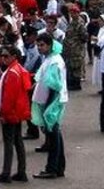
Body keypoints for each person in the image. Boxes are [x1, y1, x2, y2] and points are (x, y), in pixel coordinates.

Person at [31, 33, 67, 179]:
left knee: (53, 136)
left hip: (52, 102)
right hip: (50, 101)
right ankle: (58, 167)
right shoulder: (51, 59)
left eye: (42, 45)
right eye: (38, 45)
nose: (39, 48)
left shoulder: (54, 61)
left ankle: (51, 168)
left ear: (50, 45)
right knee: (55, 135)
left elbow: (54, 86)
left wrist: (47, 108)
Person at [0, 46, 31, 184]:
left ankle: (6, 173)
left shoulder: (12, 72)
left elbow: (9, 97)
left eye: (6, 56)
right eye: (2, 56)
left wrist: (3, 114)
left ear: (14, 56)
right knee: (17, 141)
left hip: (11, 112)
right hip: (18, 111)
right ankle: (21, 171)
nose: (3, 58)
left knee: (9, 143)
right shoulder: (18, 69)